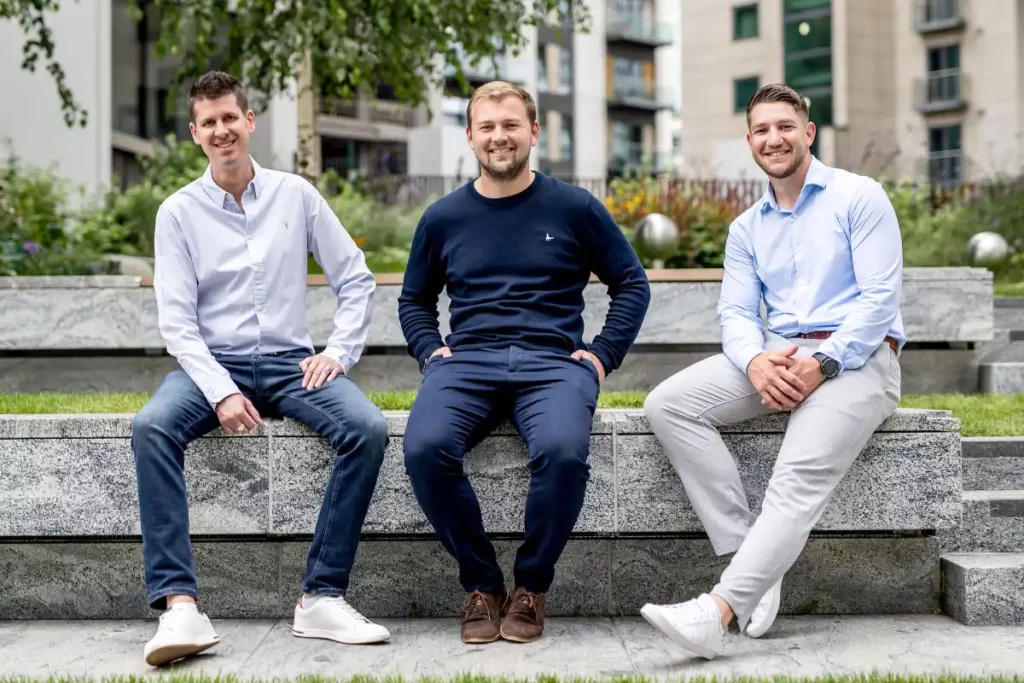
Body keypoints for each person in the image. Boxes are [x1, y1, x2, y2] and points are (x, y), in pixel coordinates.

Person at [132, 71, 391, 667]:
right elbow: (178, 323)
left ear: (249, 121)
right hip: (210, 365)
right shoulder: (177, 213)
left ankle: (322, 597)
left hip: (289, 364)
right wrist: (221, 391)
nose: (222, 130)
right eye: (209, 122)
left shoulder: (295, 195)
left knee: (367, 428)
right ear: (195, 134)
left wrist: (338, 352)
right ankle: (179, 608)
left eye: (231, 117)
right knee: (152, 427)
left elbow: (355, 278)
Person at [640, 82, 904, 658]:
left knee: (795, 476)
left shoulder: (859, 196)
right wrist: (758, 360)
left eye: (785, 126)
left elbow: (879, 298)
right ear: (750, 141)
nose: (774, 138)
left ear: (808, 132)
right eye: (761, 130)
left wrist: (825, 361)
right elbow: (735, 313)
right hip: (778, 354)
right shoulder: (746, 228)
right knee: (668, 404)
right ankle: (752, 556)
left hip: (860, 360)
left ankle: (717, 611)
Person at [398, 81, 651, 644]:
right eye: (487, 127)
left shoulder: (575, 207)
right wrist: (428, 351)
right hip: (468, 363)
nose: (499, 137)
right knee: (423, 449)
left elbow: (631, 282)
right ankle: (483, 586)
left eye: (511, 125)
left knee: (562, 452)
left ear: (534, 132)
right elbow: (414, 299)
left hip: (553, 363)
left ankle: (531, 586)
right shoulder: (442, 217)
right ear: (470, 136)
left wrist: (602, 356)